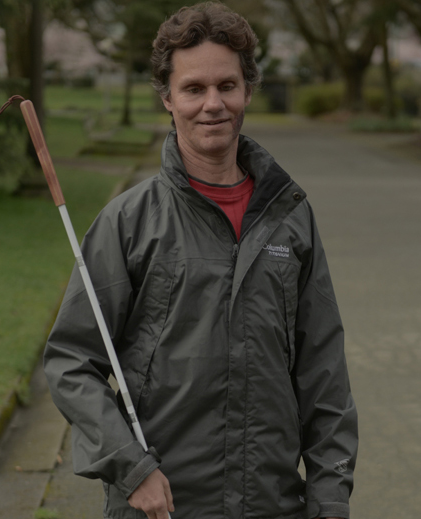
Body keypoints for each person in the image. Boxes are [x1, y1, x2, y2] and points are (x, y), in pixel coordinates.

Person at [43, 3, 358, 519]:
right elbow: (71, 361)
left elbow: (323, 371)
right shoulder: (129, 221)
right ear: (168, 98)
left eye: (226, 86)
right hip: (161, 506)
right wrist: (130, 466)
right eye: (193, 89)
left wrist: (329, 495)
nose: (213, 104)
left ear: (248, 90)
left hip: (271, 504)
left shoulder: (291, 217)